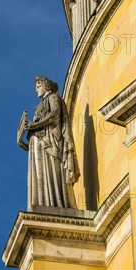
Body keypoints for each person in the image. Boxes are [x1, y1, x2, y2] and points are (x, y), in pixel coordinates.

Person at [19, 76, 80, 210]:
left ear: (46, 86)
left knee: (50, 170)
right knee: (39, 175)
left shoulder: (53, 97)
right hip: (37, 143)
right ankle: (43, 203)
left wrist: (35, 124)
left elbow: (55, 114)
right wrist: (21, 142)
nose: (36, 91)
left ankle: (55, 203)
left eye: (38, 87)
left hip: (49, 142)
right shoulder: (39, 106)